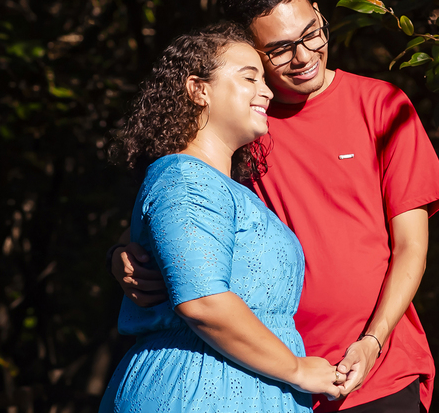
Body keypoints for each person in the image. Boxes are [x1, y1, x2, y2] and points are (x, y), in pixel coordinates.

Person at [111, 0, 439, 413]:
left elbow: (411, 247)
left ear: (317, 11)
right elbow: (180, 205)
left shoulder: (381, 105)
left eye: (312, 32)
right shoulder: (243, 121)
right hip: (265, 375)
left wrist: (372, 340)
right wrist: (121, 252)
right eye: (279, 50)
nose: (305, 55)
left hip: (374, 369)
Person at [100, 23, 344, 413]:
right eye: (249, 78)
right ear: (199, 89)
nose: (265, 91)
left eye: (264, 80)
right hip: (196, 388)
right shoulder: (185, 177)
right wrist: (296, 369)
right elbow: (203, 302)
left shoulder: (220, 187)